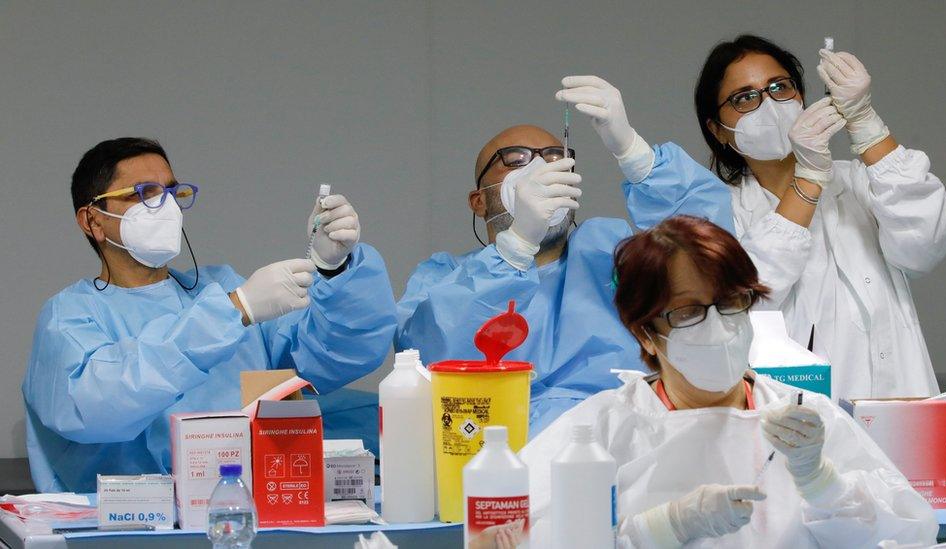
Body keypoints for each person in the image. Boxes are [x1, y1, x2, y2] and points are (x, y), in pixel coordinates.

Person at [520, 215, 937, 548]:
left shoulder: (806, 419)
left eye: (731, 302)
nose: (717, 326)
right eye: (687, 312)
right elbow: (510, 538)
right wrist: (662, 528)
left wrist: (820, 481)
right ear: (644, 332)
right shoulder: (602, 432)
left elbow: (908, 534)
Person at [23, 138, 397, 492]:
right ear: (92, 221)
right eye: (143, 194)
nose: (166, 205)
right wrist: (235, 311)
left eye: (171, 191)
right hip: (126, 528)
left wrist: (334, 269)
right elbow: (99, 406)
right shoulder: (69, 318)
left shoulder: (218, 290)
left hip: (241, 512)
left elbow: (338, 358)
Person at [396, 116, 733, 435]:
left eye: (556, 157)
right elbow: (425, 358)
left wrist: (637, 155)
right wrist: (516, 246)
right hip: (491, 461)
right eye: (515, 159)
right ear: (479, 202)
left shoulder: (610, 255)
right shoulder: (444, 279)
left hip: (622, 448)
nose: (539, 168)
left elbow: (709, 258)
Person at [692, 35, 946, 399]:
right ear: (717, 129)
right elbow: (740, 300)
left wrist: (866, 123)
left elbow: (927, 243)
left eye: (779, 87)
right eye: (745, 97)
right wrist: (808, 180)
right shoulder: (717, 212)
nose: (768, 103)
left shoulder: (861, 180)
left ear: (801, 97)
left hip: (904, 411)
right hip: (797, 429)